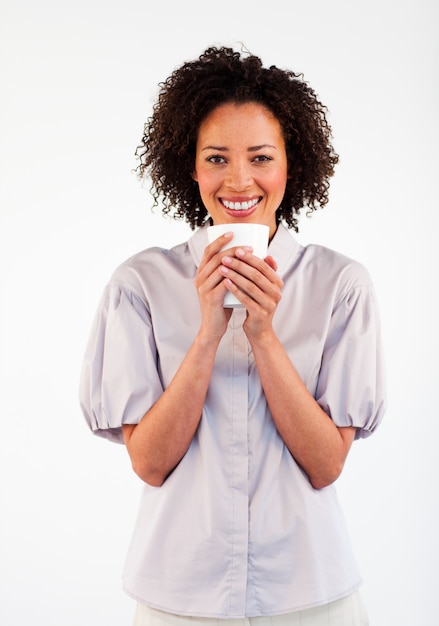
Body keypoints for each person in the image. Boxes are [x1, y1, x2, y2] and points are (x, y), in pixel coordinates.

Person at [79, 46, 386, 625]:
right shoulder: (139, 284)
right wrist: (207, 335)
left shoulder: (341, 285)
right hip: (179, 599)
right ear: (190, 167)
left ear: (291, 165)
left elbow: (326, 464)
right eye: (216, 158)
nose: (239, 180)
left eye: (261, 157)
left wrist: (264, 334)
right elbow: (149, 462)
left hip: (310, 595)